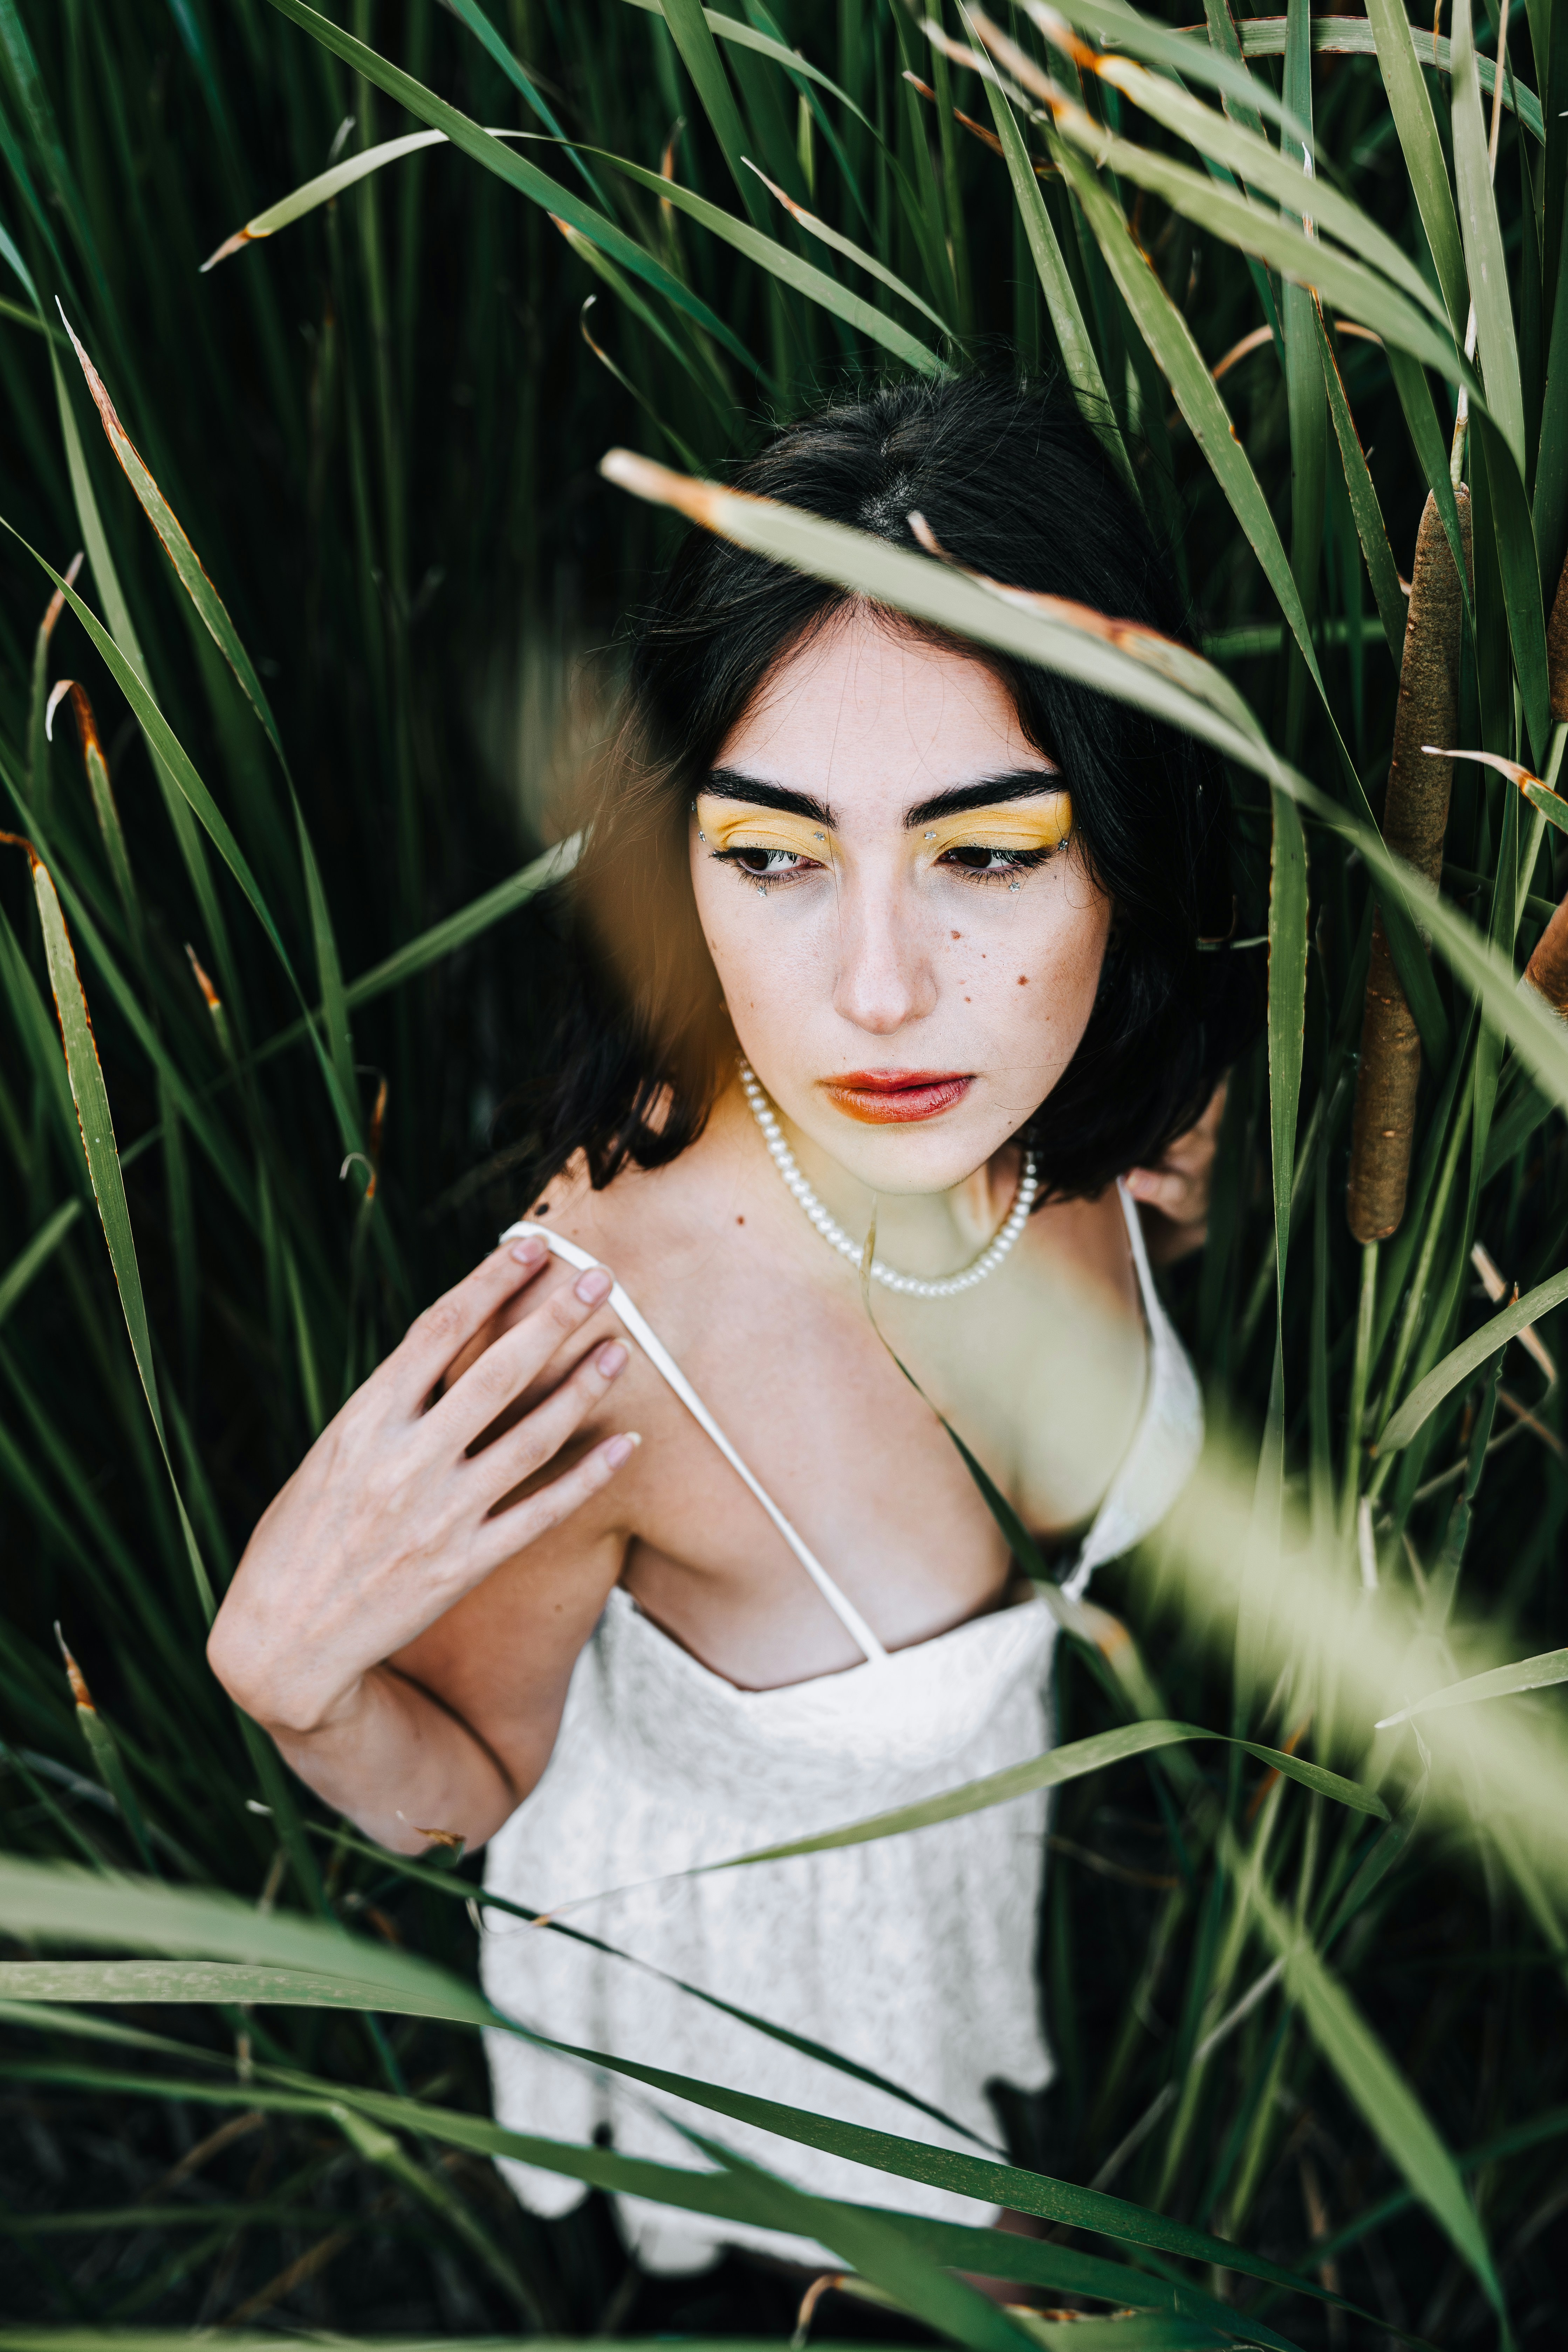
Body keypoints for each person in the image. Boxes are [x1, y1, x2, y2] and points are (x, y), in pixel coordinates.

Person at [208, 376, 1251, 2277]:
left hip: (966, 1874)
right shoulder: (608, 1335)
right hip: (767, 1997)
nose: (878, 990)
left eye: (987, 850)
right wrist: (301, 1689)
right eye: (774, 854)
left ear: (1127, 831)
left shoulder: (1123, 1102)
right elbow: (476, 1787)